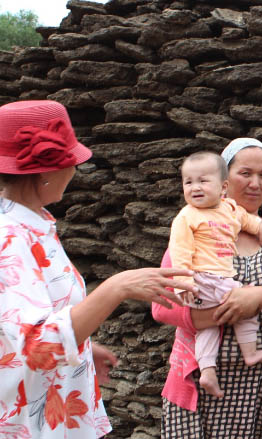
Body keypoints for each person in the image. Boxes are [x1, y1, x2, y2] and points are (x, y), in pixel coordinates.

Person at [0, 100, 196, 438]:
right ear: (46, 171)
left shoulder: (34, 226)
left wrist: (84, 347)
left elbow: (16, 330)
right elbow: (36, 346)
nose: (75, 170)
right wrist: (116, 288)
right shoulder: (9, 238)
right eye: (71, 161)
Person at [153, 138, 262, 438]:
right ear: (224, 181)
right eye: (245, 173)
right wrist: (229, 311)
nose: (255, 183)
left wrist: (258, 297)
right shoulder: (192, 227)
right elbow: (162, 305)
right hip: (197, 383)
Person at [169, 151, 262, 398]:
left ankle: (207, 371)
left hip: (213, 283)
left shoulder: (229, 208)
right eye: (188, 182)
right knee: (246, 300)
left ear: (223, 187)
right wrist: (184, 283)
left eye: (203, 181)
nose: (195, 187)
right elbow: (180, 251)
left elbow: (247, 221)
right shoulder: (187, 216)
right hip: (204, 279)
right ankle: (249, 351)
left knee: (207, 329)